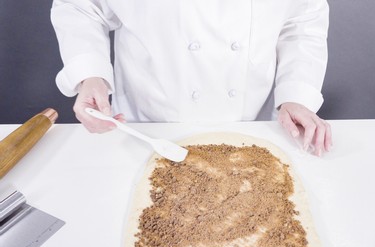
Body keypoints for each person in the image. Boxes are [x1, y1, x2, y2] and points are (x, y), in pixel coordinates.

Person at [51, 0, 332, 156]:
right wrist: (90, 75)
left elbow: (302, 22)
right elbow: (81, 7)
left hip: (253, 130)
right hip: (149, 130)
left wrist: (296, 95)